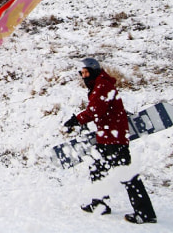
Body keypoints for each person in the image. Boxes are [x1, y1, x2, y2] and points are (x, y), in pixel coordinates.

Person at [63, 58, 157, 225]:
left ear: (94, 71)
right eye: (82, 73)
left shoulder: (103, 85)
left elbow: (95, 110)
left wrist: (77, 120)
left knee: (127, 174)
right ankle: (99, 204)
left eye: (86, 72)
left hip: (114, 139)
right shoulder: (99, 85)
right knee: (97, 167)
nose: (84, 76)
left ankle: (145, 213)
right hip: (106, 137)